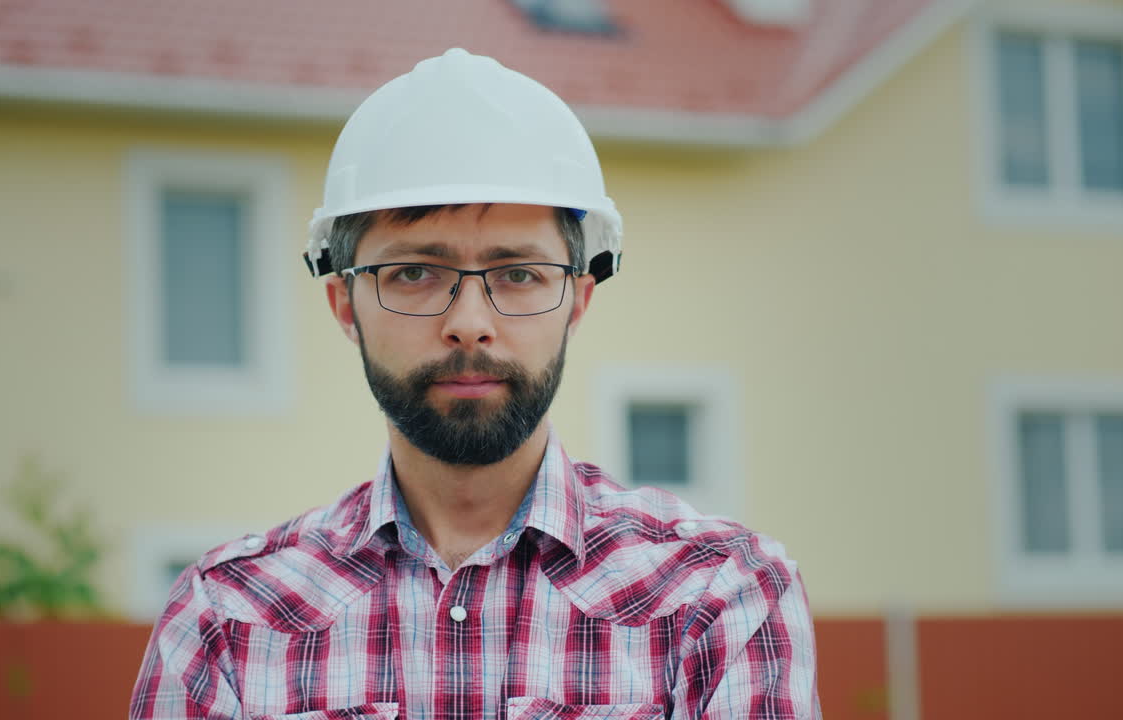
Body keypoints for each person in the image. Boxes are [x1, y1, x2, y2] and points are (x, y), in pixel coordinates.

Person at [130, 48, 820, 720]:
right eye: (414, 273)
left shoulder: (721, 597)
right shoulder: (225, 616)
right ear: (345, 306)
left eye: (517, 274)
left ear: (578, 301)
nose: (468, 324)